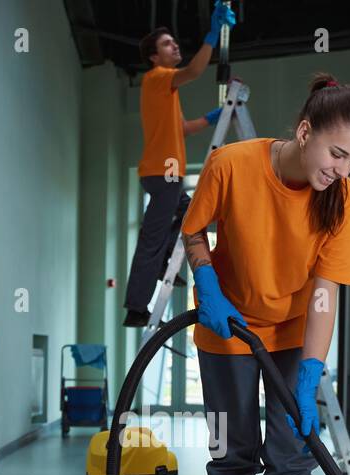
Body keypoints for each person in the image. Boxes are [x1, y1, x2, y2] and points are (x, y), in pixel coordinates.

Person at [181, 74, 350, 475]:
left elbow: (324, 291)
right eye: (337, 153)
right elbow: (195, 233)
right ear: (305, 130)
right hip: (226, 332)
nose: (342, 170)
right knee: (230, 456)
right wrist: (207, 281)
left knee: (291, 462)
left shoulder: (343, 200)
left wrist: (311, 370)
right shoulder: (231, 165)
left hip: (292, 338)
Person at [122, 2, 237, 328]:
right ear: (154, 57)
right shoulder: (158, 78)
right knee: (153, 240)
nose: (174, 46)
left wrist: (213, 118)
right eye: (167, 44)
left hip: (164, 174)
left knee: (190, 216)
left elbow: (183, 128)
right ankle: (136, 308)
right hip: (163, 173)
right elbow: (195, 72)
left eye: (174, 42)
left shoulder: (164, 91)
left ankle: (159, 269)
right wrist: (212, 35)